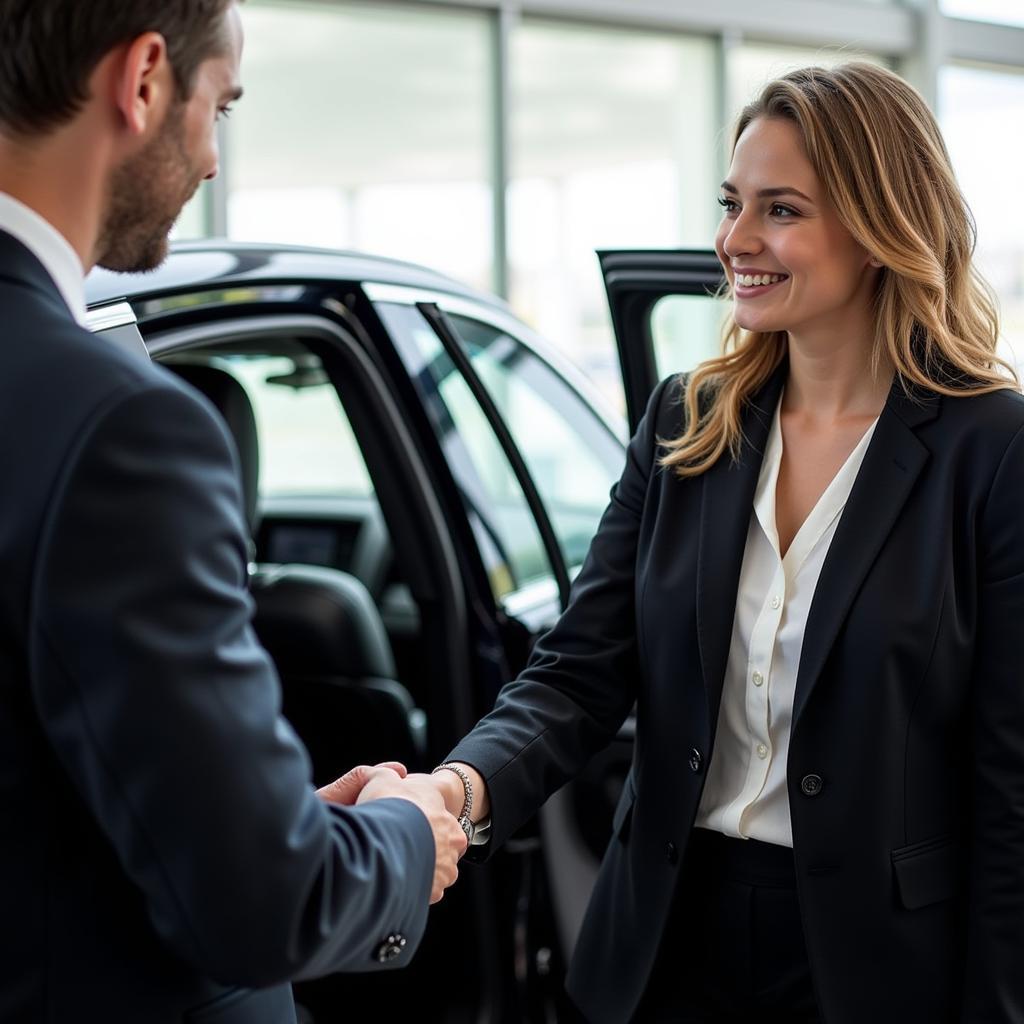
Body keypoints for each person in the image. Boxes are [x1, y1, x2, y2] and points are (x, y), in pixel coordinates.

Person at [428, 61, 1024, 1023]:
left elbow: (1011, 792)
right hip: (665, 936)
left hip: (876, 964)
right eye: (732, 203)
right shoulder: (687, 423)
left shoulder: (991, 450)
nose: (735, 241)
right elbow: (578, 673)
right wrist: (458, 789)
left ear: (880, 229)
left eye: (780, 210)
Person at [0, 2, 466, 1022]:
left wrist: (285, 821)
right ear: (145, 80)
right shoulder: (122, 429)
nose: (211, 158)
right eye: (222, 106)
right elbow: (262, 907)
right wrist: (402, 835)